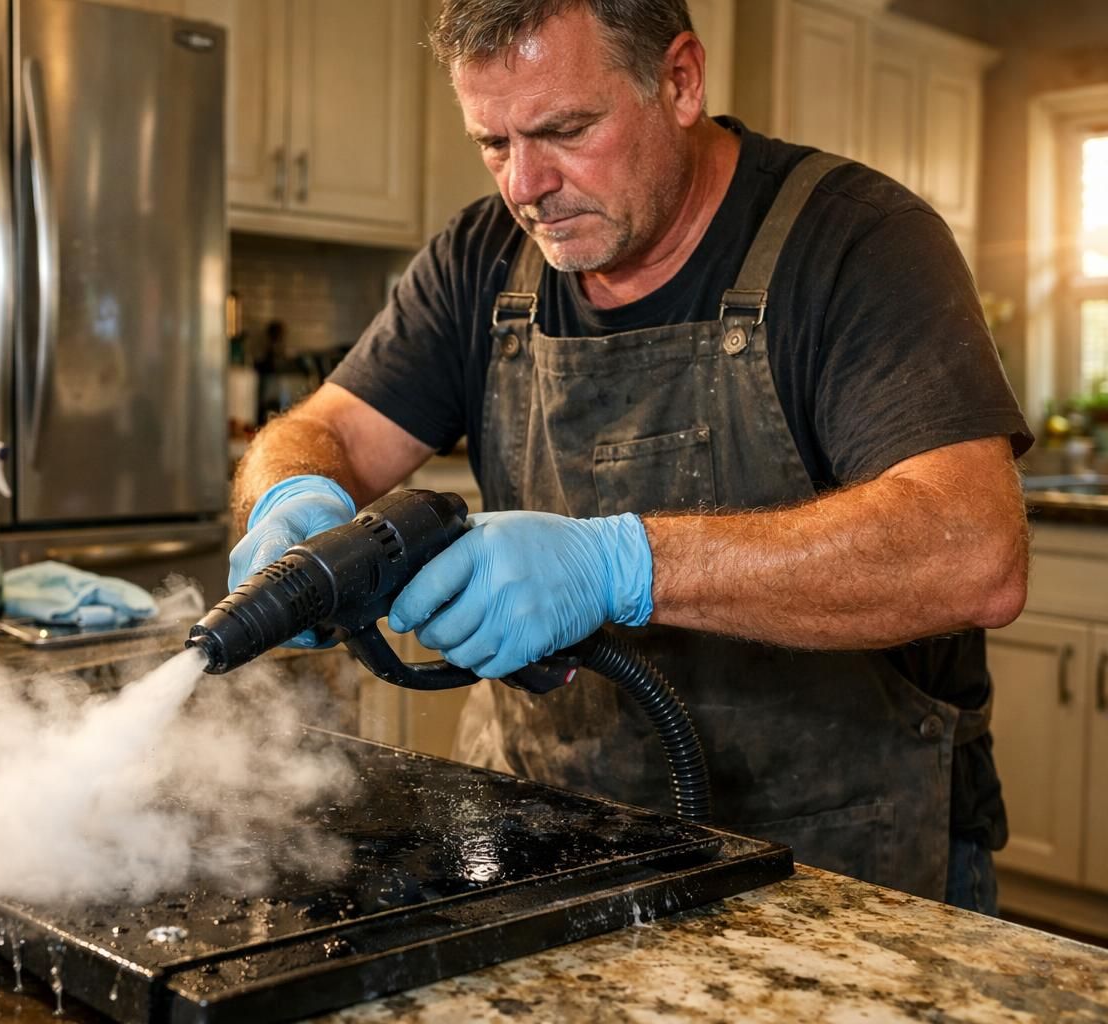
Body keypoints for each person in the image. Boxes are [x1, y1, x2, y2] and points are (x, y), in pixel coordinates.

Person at [227, 0, 1030, 912]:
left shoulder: (859, 243)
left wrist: (621, 565)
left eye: (566, 129)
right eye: (493, 143)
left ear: (679, 80)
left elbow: (973, 551)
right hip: (550, 837)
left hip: (840, 868)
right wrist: (287, 495)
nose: (526, 184)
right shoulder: (480, 259)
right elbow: (324, 428)